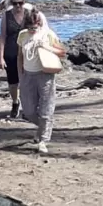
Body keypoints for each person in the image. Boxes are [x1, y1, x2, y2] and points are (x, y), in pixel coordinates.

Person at [17, 10, 66, 154]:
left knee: (46, 110)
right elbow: (20, 56)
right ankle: (43, 128)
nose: (32, 30)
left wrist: (46, 47)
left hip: (45, 75)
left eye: (35, 28)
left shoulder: (48, 34)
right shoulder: (23, 35)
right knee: (28, 110)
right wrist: (20, 75)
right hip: (28, 75)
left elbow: (62, 52)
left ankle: (43, 140)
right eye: (30, 28)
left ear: (39, 24)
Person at [0, 0, 35, 118]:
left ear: (24, 2)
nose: (18, 6)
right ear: (11, 3)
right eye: (15, 3)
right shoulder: (6, 16)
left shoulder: (29, 14)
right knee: (13, 82)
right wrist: (0, 57)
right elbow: (2, 36)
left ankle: (27, 107)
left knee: (27, 80)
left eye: (20, 3)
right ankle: (15, 102)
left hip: (26, 52)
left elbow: (37, 30)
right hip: (11, 51)